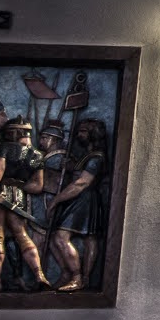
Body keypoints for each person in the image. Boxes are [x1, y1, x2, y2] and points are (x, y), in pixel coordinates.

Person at [0, 117, 52, 290]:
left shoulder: (6, 148)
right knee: (22, 236)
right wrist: (18, 185)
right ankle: (40, 276)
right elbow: (37, 186)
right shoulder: (37, 155)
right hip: (18, 197)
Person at [45, 118, 110, 292]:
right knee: (62, 238)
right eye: (79, 131)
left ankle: (78, 277)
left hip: (84, 199)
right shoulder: (88, 156)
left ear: (93, 134)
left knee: (62, 237)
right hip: (79, 198)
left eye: (84, 132)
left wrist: (57, 200)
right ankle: (68, 273)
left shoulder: (96, 157)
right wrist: (72, 166)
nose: (79, 135)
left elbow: (82, 182)